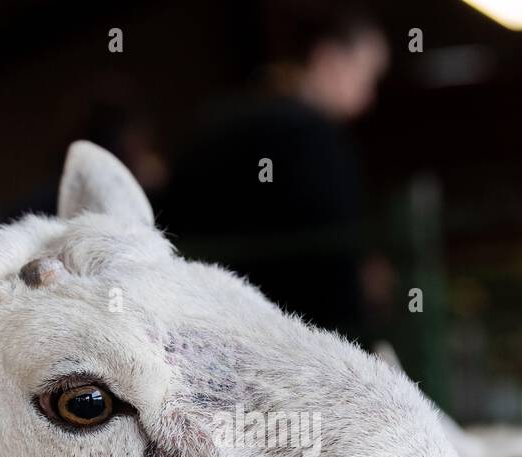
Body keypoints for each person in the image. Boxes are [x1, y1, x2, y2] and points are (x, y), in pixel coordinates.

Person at [161, 2, 389, 344]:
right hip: (293, 348)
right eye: (367, 75)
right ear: (329, 59)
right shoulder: (314, 138)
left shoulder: (216, 124)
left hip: (198, 334)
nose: (369, 97)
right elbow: (332, 262)